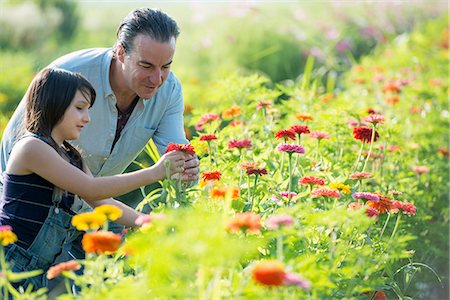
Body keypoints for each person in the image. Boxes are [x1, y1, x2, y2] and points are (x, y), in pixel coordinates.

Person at [0, 68, 187, 292]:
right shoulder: (31, 147)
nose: (87, 118)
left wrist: (147, 222)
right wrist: (154, 173)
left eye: (87, 109)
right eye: (79, 108)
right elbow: (92, 188)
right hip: (11, 262)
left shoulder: (70, 155)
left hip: (42, 267)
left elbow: (101, 201)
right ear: (55, 103)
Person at [0, 8, 200, 209]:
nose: (157, 79)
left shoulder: (169, 91)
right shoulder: (70, 73)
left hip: (97, 206)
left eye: (166, 66)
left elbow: (177, 161)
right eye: (146, 66)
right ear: (121, 53)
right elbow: (18, 147)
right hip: (33, 210)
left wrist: (186, 169)